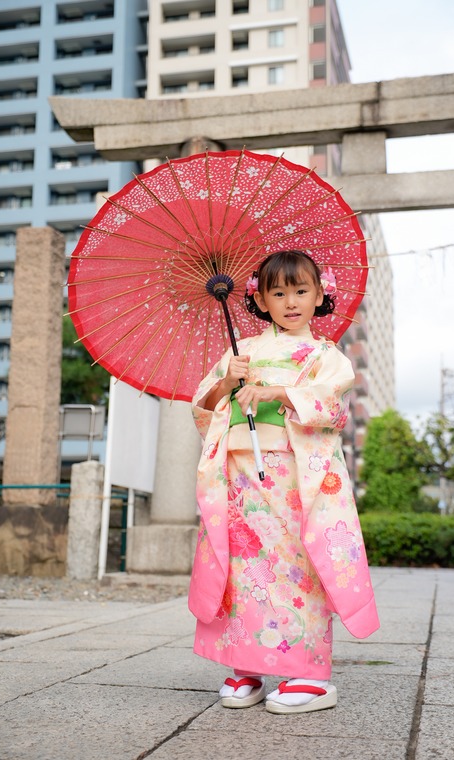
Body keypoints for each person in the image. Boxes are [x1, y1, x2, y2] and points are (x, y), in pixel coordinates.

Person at [187, 249, 380, 715]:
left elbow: (331, 409)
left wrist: (275, 391)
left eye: (301, 291)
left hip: (296, 475)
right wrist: (224, 383)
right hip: (240, 475)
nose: (290, 301)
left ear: (320, 295)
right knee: (243, 569)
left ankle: (309, 674)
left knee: (298, 566)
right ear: (261, 300)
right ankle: (245, 665)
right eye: (278, 292)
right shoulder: (243, 350)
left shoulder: (325, 355)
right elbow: (204, 408)